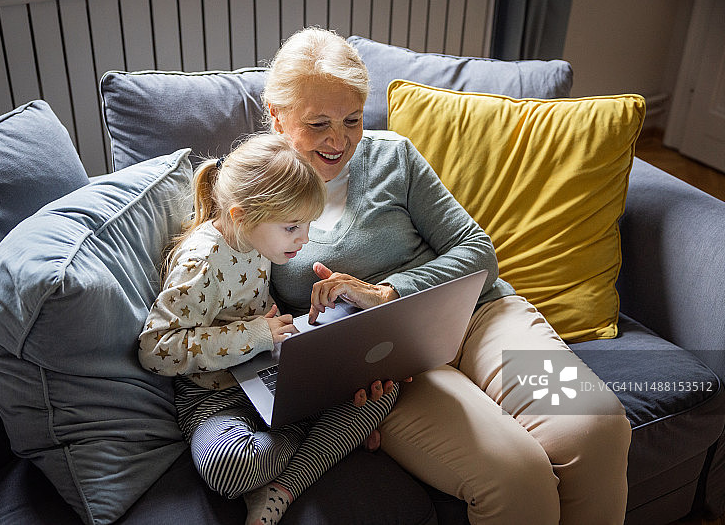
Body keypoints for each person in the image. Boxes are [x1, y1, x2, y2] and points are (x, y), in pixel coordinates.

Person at [262, 27, 631, 525]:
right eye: (318, 123)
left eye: (352, 120)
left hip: (480, 316)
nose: (339, 140)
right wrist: (334, 407)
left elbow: (479, 253)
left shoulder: (393, 155)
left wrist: (387, 293)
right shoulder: (251, 192)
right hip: (389, 368)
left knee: (597, 426)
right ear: (276, 117)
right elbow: (254, 322)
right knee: (516, 478)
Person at [138, 133, 398, 525]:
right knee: (230, 467)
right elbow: (155, 349)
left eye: (308, 224)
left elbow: (253, 308)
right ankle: (314, 442)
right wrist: (255, 334)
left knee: (383, 388)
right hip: (215, 398)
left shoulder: (257, 242)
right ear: (242, 215)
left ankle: (280, 487)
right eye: (293, 226)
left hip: (271, 373)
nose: (304, 238)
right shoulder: (201, 263)